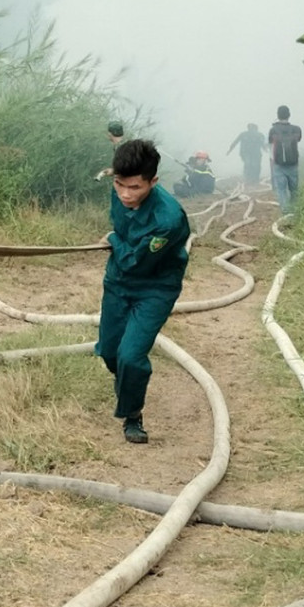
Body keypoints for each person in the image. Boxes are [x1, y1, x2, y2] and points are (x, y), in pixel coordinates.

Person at [96, 139, 191, 443]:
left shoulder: (168, 220)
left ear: (153, 182)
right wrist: (117, 239)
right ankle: (128, 384)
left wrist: (113, 239)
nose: (125, 194)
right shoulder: (119, 191)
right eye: (119, 184)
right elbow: (122, 232)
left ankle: (132, 414)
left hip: (155, 288)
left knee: (130, 356)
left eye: (135, 187)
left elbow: (135, 261)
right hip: (117, 283)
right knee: (109, 352)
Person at [268, 105, 302, 215]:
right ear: (289, 115)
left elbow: (270, 143)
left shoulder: (273, 130)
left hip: (279, 164)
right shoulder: (296, 129)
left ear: (278, 115)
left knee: (281, 189)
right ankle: (295, 210)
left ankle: (286, 211)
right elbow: (299, 139)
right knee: (294, 189)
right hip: (293, 163)